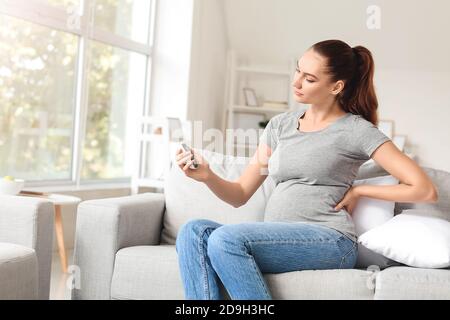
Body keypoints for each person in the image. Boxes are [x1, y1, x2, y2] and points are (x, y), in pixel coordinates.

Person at [174, 39, 438, 300]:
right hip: (275, 239)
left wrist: (360, 191)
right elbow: (240, 193)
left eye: (309, 78)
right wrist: (207, 176)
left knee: (225, 240)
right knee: (193, 232)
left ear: (336, 86)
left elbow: (424, 189)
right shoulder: (281, 125)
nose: (296, 82)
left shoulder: (357, 130)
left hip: (330, 241)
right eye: (298, 70)